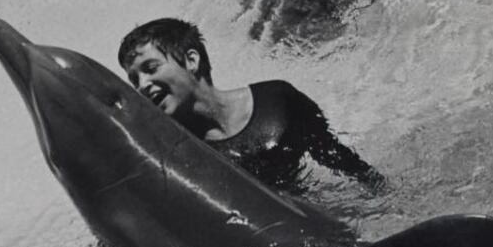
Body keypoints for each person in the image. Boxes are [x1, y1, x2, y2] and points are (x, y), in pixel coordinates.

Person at [117, 18, 385, 193]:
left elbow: (340, 159)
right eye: (134, 80)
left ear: (191, 60)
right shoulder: (174, 153)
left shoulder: (278, 102)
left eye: (150, 68)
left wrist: (384, 198)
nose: (142, 85)